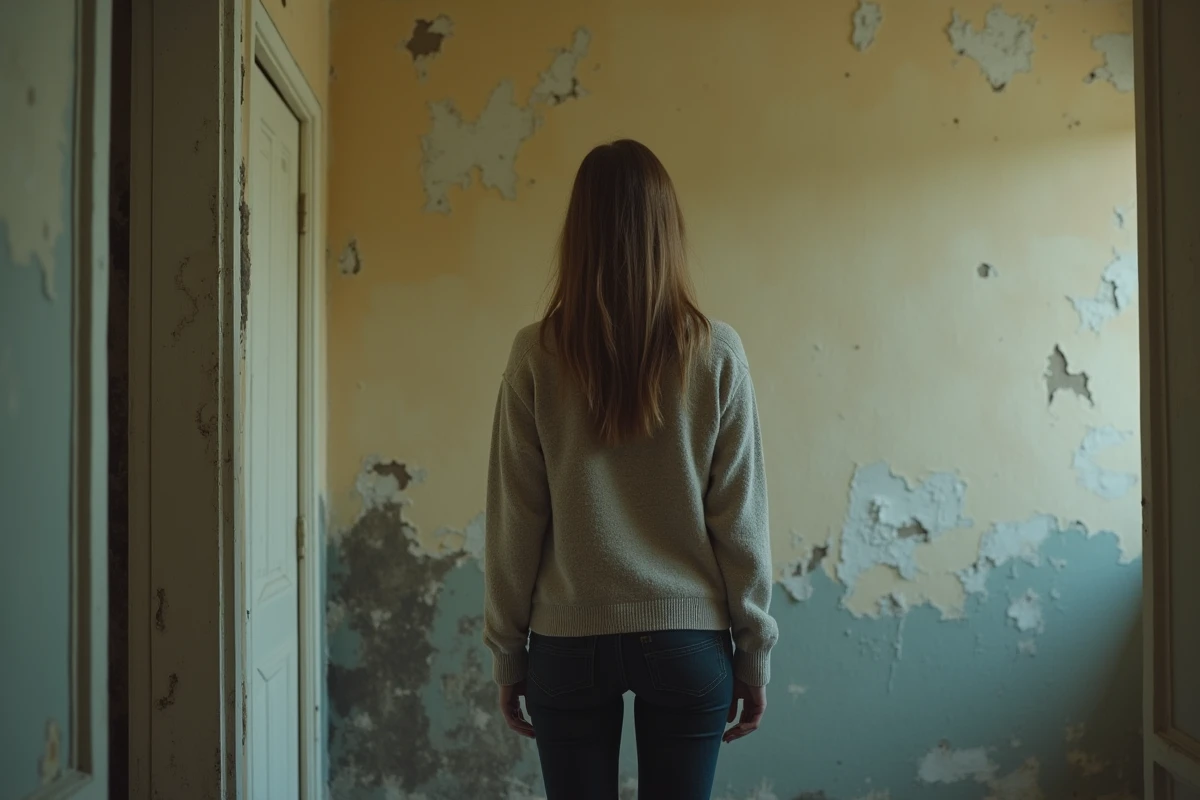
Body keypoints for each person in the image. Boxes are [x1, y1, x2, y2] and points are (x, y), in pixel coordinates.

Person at [483, 139, 778, 800]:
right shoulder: (717, 352)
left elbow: (515, 520)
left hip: (566, 641)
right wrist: (753, 655)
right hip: (689, 642)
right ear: (669, 232)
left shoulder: (535, 353)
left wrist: (508, 653)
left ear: (577, 235)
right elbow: (742, 519)